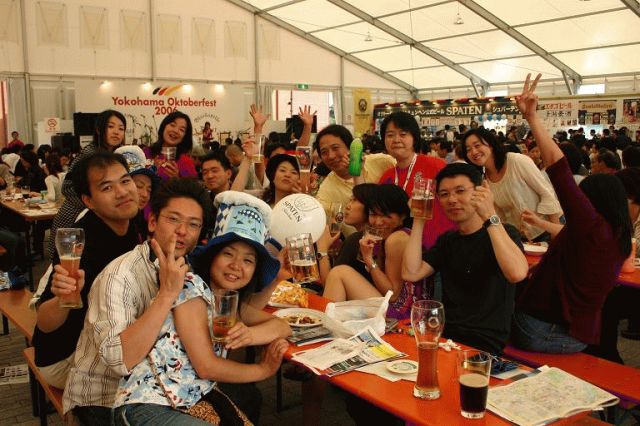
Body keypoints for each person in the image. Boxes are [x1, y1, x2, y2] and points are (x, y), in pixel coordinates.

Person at [113, 191, 290, 425]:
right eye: (228, 254)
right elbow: (206, 366)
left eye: (248, 260)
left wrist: (249, 335)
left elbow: (282, 326)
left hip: (187, 402)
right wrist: (263, 370)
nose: (236, 265)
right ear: (212, 256)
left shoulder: (228, 303)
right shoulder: (190, 286)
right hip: (147, 405)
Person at [63, 178, 212, 424]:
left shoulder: (185, 267)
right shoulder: (119, 276)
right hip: (103, 400)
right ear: (152, 222)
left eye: (193, 224)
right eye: (173, 219)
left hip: (161, 388)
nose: (183, 231)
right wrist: (166, 295)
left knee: (246, 397)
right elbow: (119, 360)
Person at [509, 74, 632, 354]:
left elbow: (558, 167)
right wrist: (539, 222)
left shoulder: (591, 226)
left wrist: (532, 117)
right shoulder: (617, 235)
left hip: (542, 331)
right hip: (578, 333)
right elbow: (566, 233)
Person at [32, 152, 141, 389]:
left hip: (104, 339)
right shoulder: (78, 244)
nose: (122, 192)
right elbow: (44, 322)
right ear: (89, 201)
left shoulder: (134, 223)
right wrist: (63, 298)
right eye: (106, 187)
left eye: (125, 181)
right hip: (65, 357)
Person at [402, 162, 528, 354]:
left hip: (484, 343)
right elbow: (411, 273)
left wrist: (490, 215)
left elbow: (517, 273)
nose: (452, 200)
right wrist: (418, 219)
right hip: (445, 337)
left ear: (480, 192)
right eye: (444, 194)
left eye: (460, 191)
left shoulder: (503, 233)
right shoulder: (448, 240)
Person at [324, 184, 429, 319]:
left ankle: (326, 325)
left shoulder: (397, 239)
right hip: (404, 311)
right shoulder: (385, 237)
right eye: (373, 214)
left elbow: (393, 296)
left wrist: (368, 259)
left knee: (339, 273)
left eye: (385, 215)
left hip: (403, 316)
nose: (378, 222)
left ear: (402, 216)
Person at [48, 109, 126, 259]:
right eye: (110, 126)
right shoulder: (89, 154)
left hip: (91, 219)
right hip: (73, 217)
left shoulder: (112, 156)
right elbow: (67, 187)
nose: (116, 132)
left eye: (121, 128)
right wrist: (93, 205)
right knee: (66, 262)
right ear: (98, 129)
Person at [462, 127, 562, 241]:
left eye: (477, 145)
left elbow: (547, 193)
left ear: (490, 144)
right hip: (522, 238)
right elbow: (500, 215)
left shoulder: (517, 161)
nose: (473, 152)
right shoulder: (484, 180)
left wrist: (555, 233)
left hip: (546, 231)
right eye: (468, 149)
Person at [378, 111, 454, 248]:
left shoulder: (435, 166)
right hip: (402, 248)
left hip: (442, 246)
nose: (396, 139)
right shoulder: (387, 177)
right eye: (390, 135)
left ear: (414, 138)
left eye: (403, 134)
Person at [313, 125, 395, 236]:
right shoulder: (325, 193)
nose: (331, 156)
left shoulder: (382, 162)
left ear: (350, 147)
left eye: (335, 148)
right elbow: (332, 230)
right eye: (324, 152)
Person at [115, 145, 160, 242]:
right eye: (139, 186)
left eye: (149, 190)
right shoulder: (109, 221)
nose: (145, 195)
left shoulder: (139, 219)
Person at [148, 111, 198, 180]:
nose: (176, 131)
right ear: (164, 126)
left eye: (181, 130)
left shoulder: (186, 163)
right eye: (172, 125)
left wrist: (177, 179)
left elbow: (193, 186)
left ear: (185, 136)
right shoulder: (146, 153)